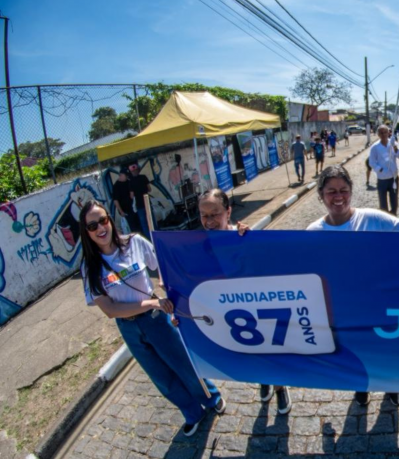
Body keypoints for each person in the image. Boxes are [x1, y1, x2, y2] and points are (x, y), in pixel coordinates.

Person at [307, 165, 399, 407]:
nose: (338, 197)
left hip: (381, 306)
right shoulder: (313, 233)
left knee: (387, 351)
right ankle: (361, 386)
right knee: (356, 351)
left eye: (344, 190)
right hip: (344, 311)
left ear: (351, 191)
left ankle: (392, 385)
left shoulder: (372, 218)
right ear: (321, 195)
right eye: (331, 191)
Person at [79, 201, 226, 437]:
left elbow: (163, 265)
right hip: (129, 327)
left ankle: (210, 398)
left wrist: (164, 284)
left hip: (156, 319)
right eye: (92, 225)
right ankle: (191, 413)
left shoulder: (134, 243)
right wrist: (152, 301)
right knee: (161, 376)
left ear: (110, 219)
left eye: (103, 220)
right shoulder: (89, 267)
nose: (100, 228)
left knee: (184, 364)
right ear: (86, 232)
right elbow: (109, 309)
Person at [197, 189, 292, 414]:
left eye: (215, 214)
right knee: (254, 351)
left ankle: (280, 387)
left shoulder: (243, 236)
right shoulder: (199, 246)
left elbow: (266, 265)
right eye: (204, 215)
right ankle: (264, 380)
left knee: (272, 349)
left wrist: (250, 242)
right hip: (233, 313)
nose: (209, 221)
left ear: (228, 212)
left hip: (259, 307)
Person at [368, 125, 399, 215]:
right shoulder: (374, 147)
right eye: (381, 132)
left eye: (385, 132)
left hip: (393, 178)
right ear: (378, 134)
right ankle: (385, 221)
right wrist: (380, 169)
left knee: (394, 201)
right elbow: (371, 162)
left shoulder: (393, 144)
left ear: (388, 133)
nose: (383, 134)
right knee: (383, 205)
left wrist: (395, 148)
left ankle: (393, 218)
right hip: (382, 179)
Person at [128, 162, 153, 239]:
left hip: (139, 205)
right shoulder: (143, 177)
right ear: (138, 170)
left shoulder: (130, 181)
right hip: (147, 202)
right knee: (152, 221)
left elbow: (131, 196)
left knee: (144, 225)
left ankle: (149, 240)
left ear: (131, 172)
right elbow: (150, 189)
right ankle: (157, 237)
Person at [112, 170, 138, 234]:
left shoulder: (128, 182)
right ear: (121, 175)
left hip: (134, 208)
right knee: (132, 228)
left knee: (138, 226)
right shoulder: (116, 186)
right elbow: (115, 200)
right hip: (125, 210)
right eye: (125, 176)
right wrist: (121, 211)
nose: (126, 177)